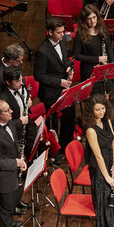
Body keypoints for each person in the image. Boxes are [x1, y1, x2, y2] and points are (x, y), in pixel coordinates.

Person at [83, 94, 114, 227]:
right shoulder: (91, 130)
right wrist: (107, 176)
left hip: (110, 162)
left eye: (103, 108)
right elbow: (97, 156)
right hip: (99, 168)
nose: (101, 112)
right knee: (101, 200)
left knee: (110, 200)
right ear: (91, 111)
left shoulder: (107, 121)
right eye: (97, 110)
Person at [33, 17, 75, 152]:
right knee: (53, 124)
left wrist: (69, 69)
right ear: (50, 32)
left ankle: (66, 146)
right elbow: (38, 76)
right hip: (51, 92)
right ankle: (53, 150)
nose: (63, 35)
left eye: (63, 32)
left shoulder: (62, 42)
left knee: (70, 115)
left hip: (64, 88)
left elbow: (65, 61)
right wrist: (59, 82)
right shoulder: (42, 51)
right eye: (59, 32)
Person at [73, 4, 114, 94]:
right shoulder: (80, 34)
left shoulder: (103, 29)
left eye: (94, 17)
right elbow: (77, 55)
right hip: (89, 71)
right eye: (89, 19)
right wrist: (97, 59)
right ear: (84, 20)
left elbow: (109, 49)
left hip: (104, 68)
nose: (92, 21)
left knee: (109, 94)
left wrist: (112, 66)